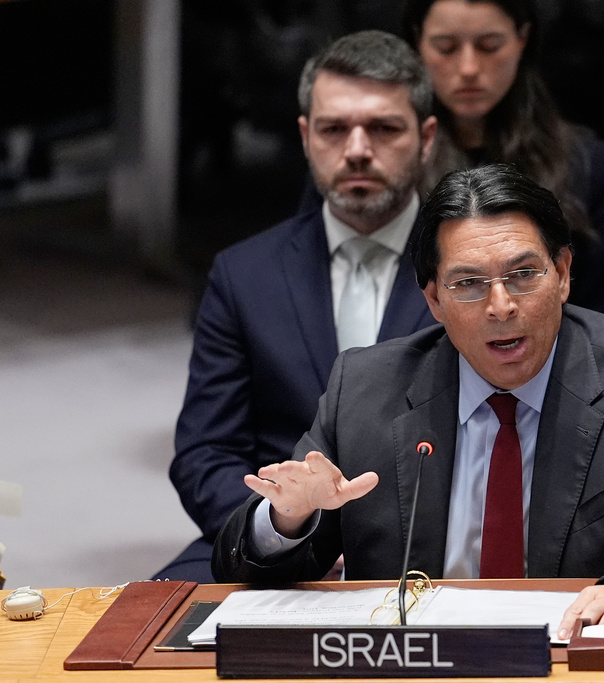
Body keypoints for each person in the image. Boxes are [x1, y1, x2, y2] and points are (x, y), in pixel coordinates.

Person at [213, 164, 604, 636]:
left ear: (563, 273)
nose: (501, 306)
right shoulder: (366, 387)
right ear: (432, 299)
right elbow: (243, 570)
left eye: (523, 274)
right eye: (468, 283)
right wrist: (288, 517)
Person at [158, 31, 439, 583]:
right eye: (335, 129)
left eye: (383, 128)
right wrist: (278, 528)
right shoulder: (244, 274)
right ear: (307, 137)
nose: (357, 149)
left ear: (426, 138)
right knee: (143, 634)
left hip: (432, 547)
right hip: (270, 538)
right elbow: (206, 452)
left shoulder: (471, 271)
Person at [399, 0, 604, 324]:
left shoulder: (588, 164)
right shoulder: (394, 160)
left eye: (489, 46)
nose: (468, 67)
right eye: (446, 48)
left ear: (522, 38)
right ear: (417, 42)